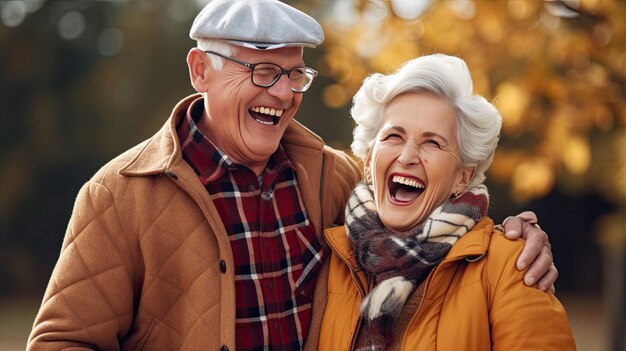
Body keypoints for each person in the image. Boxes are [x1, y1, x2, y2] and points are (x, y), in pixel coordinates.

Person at [27, 1, 558, 350]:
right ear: (199, 70)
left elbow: (434, 214)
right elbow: (62, 341)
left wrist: (521, 235)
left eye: (294, 74)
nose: (282, 93)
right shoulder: (118, 194)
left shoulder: (335, 179)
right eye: (261, 69)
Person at [319, 54, 576, 350]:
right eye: (393, 136)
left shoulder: (511, 264)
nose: (407, 156)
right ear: (368, 160)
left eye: (433, 142)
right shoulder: (329, 261)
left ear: (462, 178)